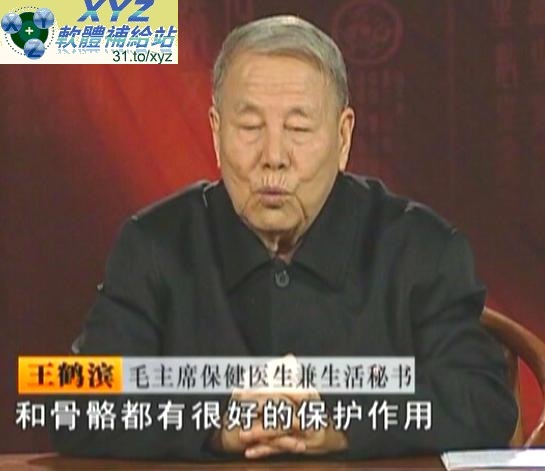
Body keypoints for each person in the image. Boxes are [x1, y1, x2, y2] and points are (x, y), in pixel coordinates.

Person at [50, 15, 517, 460]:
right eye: (250, 127)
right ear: (216, 132)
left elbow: (483, 402)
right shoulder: (154, 245)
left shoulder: (421, 248)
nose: (274, 156)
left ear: (343, 137)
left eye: (298, 128)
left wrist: (341, 421)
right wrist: (215, 421)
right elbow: (69, 400)